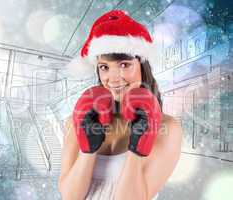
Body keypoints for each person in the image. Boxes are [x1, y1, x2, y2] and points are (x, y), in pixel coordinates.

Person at [58, 10, 183, 200]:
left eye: (124, 64)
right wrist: (88, 149)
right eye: (104, 67)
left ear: (142, 65)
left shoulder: (168, 128)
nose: (114, 78)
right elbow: (70, 196)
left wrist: (137, 148)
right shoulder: (76, 120)